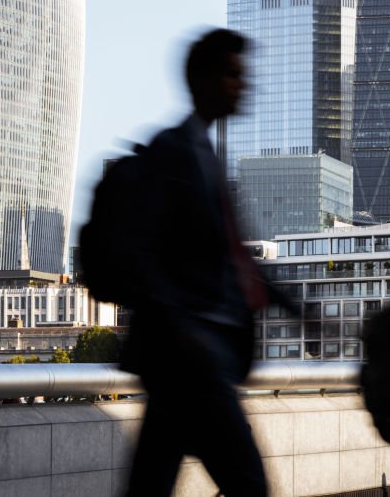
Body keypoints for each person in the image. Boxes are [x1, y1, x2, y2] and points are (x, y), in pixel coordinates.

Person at [123, 28, 291, 497]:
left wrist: (290, 301)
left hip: (192, 359)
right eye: (235, 75)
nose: (245, 85)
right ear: (203, 79)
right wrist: (184, 327)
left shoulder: (204, 154)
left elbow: (231, 256)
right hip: (194, 358)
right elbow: (143, 250)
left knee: (149, 485)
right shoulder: (174, 152)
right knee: (249, 485)